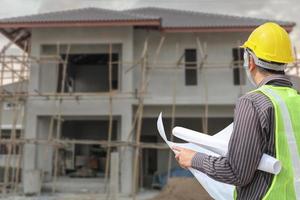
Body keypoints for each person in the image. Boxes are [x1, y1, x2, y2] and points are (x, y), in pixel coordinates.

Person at [173, 22, 300, 199]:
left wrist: (194, 159)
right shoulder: (296, 100)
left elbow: (237, 172)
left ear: (251, 60)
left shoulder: (253, 102)